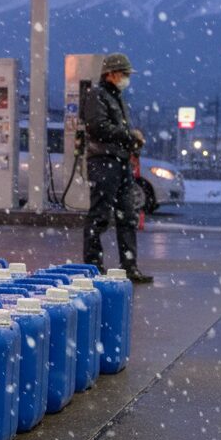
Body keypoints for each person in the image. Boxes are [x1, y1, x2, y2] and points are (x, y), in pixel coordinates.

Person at [81, 53, 154, 284]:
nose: (126, 79)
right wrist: (129, 136)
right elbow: (99, 127)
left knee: (127, 215)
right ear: (111, 74)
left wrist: (130, 142)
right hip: (103, 161)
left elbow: (110, 129)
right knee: (100, 215)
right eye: (123, 74)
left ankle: (129, 266)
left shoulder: (116, 98)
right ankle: (93, 266)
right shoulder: (97, 96)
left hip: (120, 162)